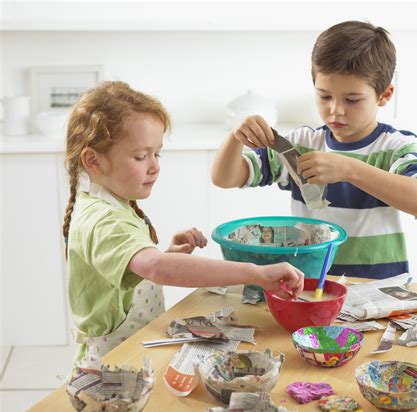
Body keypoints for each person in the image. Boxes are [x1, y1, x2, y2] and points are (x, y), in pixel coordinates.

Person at [63, 81, 304, 368]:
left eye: (157, 153)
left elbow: (138, 268)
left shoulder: (110, 202)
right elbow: (154, 268)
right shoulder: (103, 219)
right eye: (141, 156)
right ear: (93, 160)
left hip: (133, 349)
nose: (155, 166)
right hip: (113, 363)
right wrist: (257, 273)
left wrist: (168, 255)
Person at [211, 21, 417, 279]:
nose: (335, 110)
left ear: (384, 95)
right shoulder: (300, 145)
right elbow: (224, 178)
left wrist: (349, 169)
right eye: (324, 96)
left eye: (352, 100)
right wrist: (236, 136)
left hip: (381, 291)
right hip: (309, 286)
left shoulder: (395, 148)